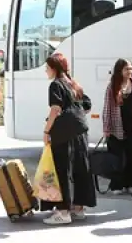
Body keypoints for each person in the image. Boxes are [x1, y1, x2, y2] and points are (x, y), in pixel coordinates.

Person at [41, 53, 96, 225]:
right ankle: (78, 208)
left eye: (47, 68)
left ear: (54, 68)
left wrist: (46, 130)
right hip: (80, 130)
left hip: (63, 133)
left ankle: (63, 211)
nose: (45, 71)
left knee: (61, 170)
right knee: (80, 168)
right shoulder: (73, 83)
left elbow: (55, 109)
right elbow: (87, 105)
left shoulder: (56, 85)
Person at [102, 58, 132, 196]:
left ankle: (131, 184)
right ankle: (116, 185)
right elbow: (107, 108)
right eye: (126, 69)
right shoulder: (112, 86)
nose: (129, 72)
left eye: (131, 69)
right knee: (116, 159)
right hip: (116, 127)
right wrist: (106, 127)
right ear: (120, 70)